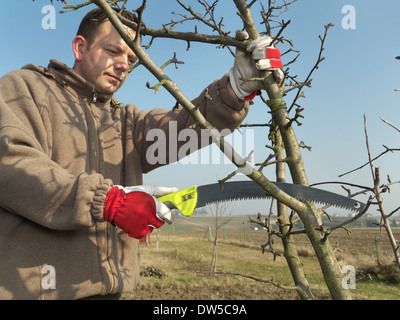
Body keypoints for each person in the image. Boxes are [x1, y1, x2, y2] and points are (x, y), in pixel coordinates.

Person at [0, 7, 282, 299]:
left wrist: (235, 89)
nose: (123, 65)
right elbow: (9, 160)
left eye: (131, 59)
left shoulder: (125, 120)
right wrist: (106, 202)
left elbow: (181, 129)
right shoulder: (23, 89)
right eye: (113, 51)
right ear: (80, 47)